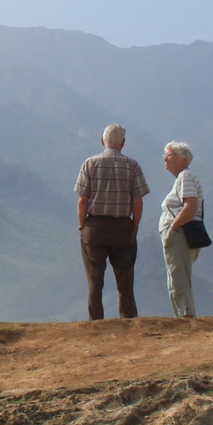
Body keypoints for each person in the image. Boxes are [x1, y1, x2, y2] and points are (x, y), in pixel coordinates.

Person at [74, 124, 149, 320]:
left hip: (95, 227)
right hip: (122, 227)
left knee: (94, 279)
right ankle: (128, 318)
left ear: (102, 141)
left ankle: (96, 322)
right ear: (123, 143)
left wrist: (82, 225)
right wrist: (135, 225)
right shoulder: (132, 165)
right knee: (125, 279)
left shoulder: (90, 163)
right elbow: (138, 200)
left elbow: (82, 199)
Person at [158, 141, 205, 320]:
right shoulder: (183, 178)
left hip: (180, 234)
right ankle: (183, 315)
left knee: (178, 277)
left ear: (182, 158)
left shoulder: (185, 177)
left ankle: (186, 317)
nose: (165, 159)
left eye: (169, 155)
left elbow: (190, 205)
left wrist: (174, 227)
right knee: (177, 275)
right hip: (180, 233)